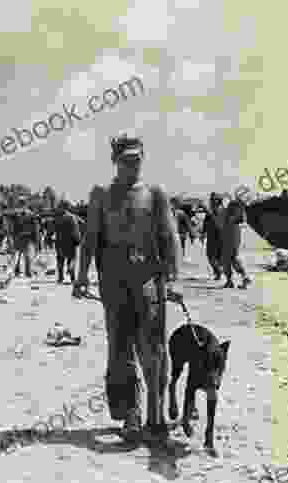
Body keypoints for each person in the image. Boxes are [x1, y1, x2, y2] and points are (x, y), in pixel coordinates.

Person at [72, 133, 180, 443]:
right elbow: (90, 238)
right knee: (120, 348)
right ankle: (130, 415)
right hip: (114, 281)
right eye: (126, 160)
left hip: (148, 280)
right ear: (115, 161)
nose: (133, 165)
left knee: (154, 348)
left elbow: (170, 237)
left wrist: (174, 278)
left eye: (137, 159)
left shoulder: (155, 194)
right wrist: (81, 276)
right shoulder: (101, 195)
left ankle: (156, 415)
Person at [221, 199, 252, 289]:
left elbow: (223, 223)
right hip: (233, 235)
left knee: (229, 258)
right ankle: (238, 278)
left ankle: (243, 277)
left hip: (231, 235)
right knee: (231, 258)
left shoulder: (229, 213)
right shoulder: (234, 215)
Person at [8, 196, 41, 277]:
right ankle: (27, 272)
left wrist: (11, 236)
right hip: (26, 237)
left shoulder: (15, 214)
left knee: (18, 255)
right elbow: (36, 228)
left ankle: (19, 271)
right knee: (26, 256)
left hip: (20, 237)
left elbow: (11, 226)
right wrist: (37, 241)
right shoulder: (31, 214)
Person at [53, 200, 81, 284]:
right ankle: (72, 277)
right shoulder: (72, 217)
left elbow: (52, 229)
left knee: (60, 260)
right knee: (72, 259)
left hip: (59, 242)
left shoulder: (57, 218)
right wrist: (78, 240)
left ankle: (60, 278)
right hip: (70, 242)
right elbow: (76, 230)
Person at [201, 192, 225, 280]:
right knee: (210, 256)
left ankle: (219, 272)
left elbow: (220, 223)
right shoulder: (210, 211)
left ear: (218, 201)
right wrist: (203, 233)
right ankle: (218, 271)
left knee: (218, 256)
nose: (211, 201)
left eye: (213, 199)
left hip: (221, 236)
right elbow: (206, 222)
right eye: (211, 199)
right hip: (211, 236)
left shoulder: (222, 210)